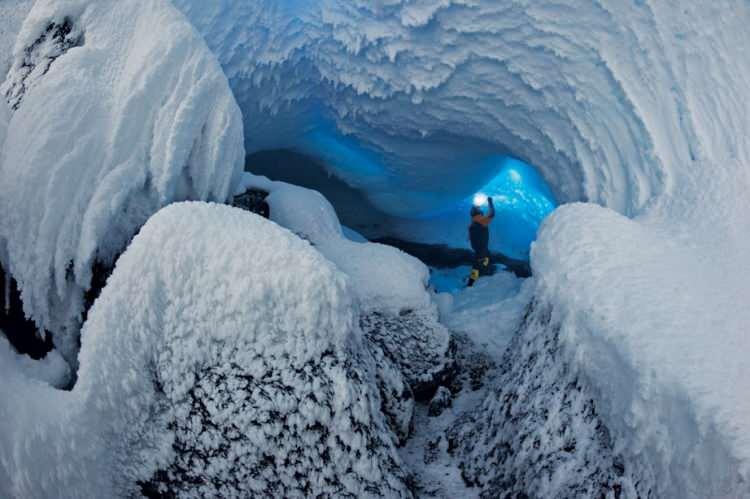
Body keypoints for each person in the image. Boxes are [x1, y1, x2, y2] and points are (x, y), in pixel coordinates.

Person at [467, 196, 495, 287]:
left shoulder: (473, 223)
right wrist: (490, 202)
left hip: (478, 248)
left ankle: (472, 281)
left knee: (479, 262)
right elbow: (492, 213)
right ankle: (473, 282)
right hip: (482, 249)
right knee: (479, 264)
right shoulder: (482, 220)